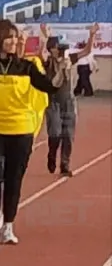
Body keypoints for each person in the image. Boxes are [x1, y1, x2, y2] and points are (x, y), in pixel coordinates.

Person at [0, 20, 62, 244]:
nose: (13, 41)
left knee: (13, 179)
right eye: (8, 37)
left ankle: (8, 225)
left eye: (15, 37)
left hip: (21, 131)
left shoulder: (26, 67)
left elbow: (51, 86)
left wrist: (62, 68)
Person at [45, 28, 96, 177]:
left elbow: (86, 51)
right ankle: (52, 153)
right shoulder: (47, 63)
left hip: (68, 100)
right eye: (57, 47)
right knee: (55, 133)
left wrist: (91, 35)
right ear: (52, 49)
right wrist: (45, 37)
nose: (60, 50)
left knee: (68, 135)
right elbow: (40, 54)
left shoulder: (69, 59)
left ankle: (65, 164)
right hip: (53, 101)